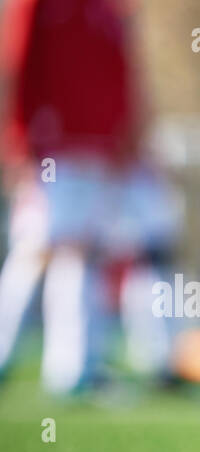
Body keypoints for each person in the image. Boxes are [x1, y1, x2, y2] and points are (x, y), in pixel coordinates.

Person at [0, 0, 143, 394]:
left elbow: (121, 74)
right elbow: (19, 62)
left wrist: (123, 139)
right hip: (51, 147)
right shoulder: (38, 5)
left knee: (80, 253)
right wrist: (18, 137)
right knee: (38, 247)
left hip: (96, 150)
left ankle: (73, 366)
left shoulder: (110, 9)